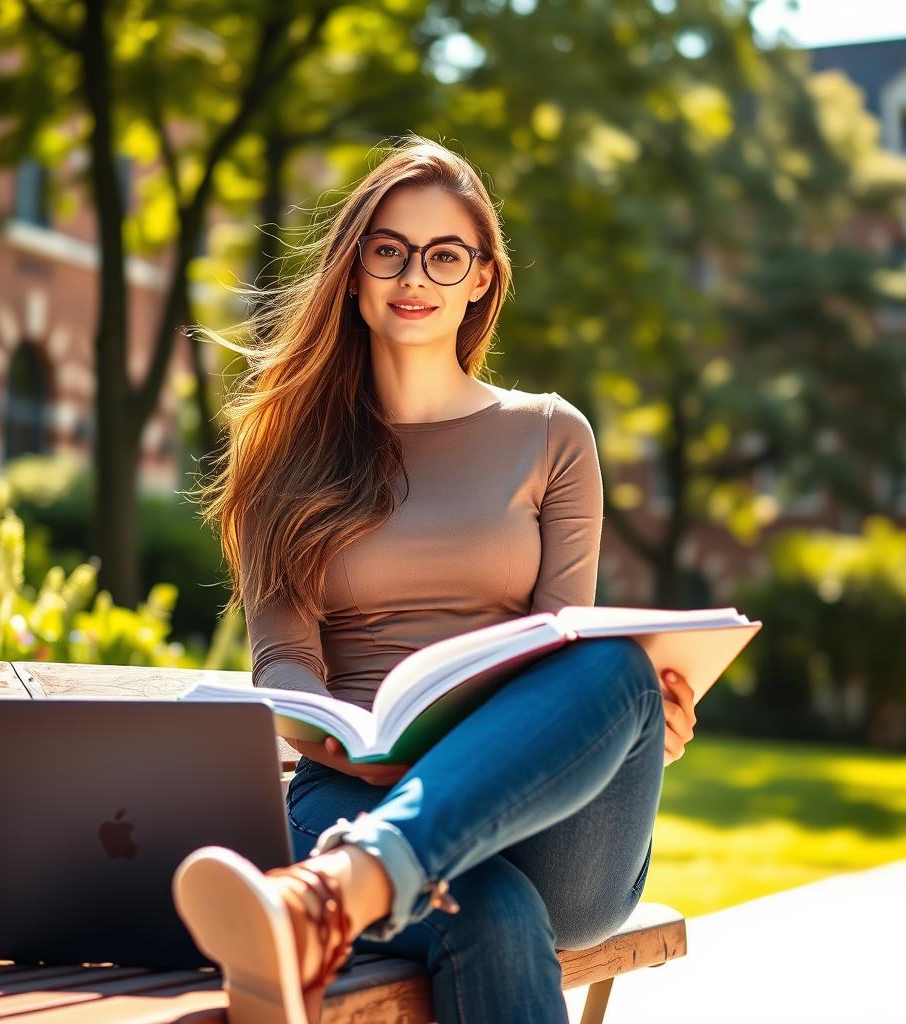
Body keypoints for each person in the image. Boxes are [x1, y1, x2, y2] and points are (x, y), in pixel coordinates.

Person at [172, 136, 698, 1024]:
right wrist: (357, 746)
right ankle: (364, 877)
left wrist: (623, 721)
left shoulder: (552, 436)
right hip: (348, 787)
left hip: (542, 823)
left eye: (445, 254)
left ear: (481, 279)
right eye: (388, 248)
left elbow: (557, 644)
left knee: (612, 666)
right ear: (352, 271)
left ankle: (334, 893)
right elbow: (285, 660)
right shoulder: (282, 457)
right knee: (485, 912)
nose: (414, 273)